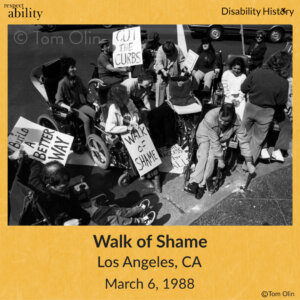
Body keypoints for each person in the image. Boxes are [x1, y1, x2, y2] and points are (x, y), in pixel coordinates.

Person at [185, 103, 255, 199]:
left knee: (211, 158)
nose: (222, 122)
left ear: (232, 118)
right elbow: (214, 142)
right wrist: (221, 160)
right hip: (205, 132)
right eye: (221, 119)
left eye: (226, 121)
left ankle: (202, 184)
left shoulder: (237, 121)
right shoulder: (210, 117)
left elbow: (244, 141)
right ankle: (194, 181)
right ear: (219, 113)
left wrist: (249, 161)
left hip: (220, 137)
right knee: (204, 154)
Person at [105, 84, 161, 192]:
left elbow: (135, 111)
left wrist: (135, 119)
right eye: (124, 96)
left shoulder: (129, 102)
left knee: (149, 148)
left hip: (136, 129)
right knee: (136, 153)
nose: (127, 97)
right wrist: (126, 128)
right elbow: (109, 127)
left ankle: (156, 176)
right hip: (125, 134)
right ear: (119, 99)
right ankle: (143, 177)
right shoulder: (113, 108)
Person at [241, 51, 290, 164]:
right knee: (257, 141)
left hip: (250, 108)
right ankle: (247, 165)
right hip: (266, 113)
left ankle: (240, 156)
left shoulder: (257, 72)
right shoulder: (283, 82)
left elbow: (243, 88)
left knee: (244, 134)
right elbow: (281, 102)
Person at [25, 159, 90, 225]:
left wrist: (21, 156)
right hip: (67, 214)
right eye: (63, 187)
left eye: (67, 184)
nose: (67, 188)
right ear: (49, 186)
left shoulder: (34, 180)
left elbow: (35, 163)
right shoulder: (49, 200)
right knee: (85, 217)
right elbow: (55, 216)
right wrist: (65, 224)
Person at [55, 57, 95, 140]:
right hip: (71, 109)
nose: (75, 69)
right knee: (86, 120)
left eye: (74, 66)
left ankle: (94, 135)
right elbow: (58, 101)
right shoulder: (62, 83)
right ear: (66, 69)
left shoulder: (77, 79)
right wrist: (67, 107)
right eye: (72, 67)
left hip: (80, 105)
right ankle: (89, 142)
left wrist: (92, 96)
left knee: (95, 114)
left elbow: (84, 90)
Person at [154, 40, 185, 106]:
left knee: (171, 90)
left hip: (174, 72)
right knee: (160, 85)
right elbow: (158, 63)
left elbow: (182, 60)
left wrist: (183, 68)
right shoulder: (160, 50)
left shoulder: (178, 49)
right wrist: (163, 71)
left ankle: (171, 106)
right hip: (162, 72)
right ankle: (159, 107)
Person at [91, 198, 156, 225]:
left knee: (120, 211)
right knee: (118, 221)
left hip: (93, 214)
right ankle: (142, 221)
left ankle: (138, 209)